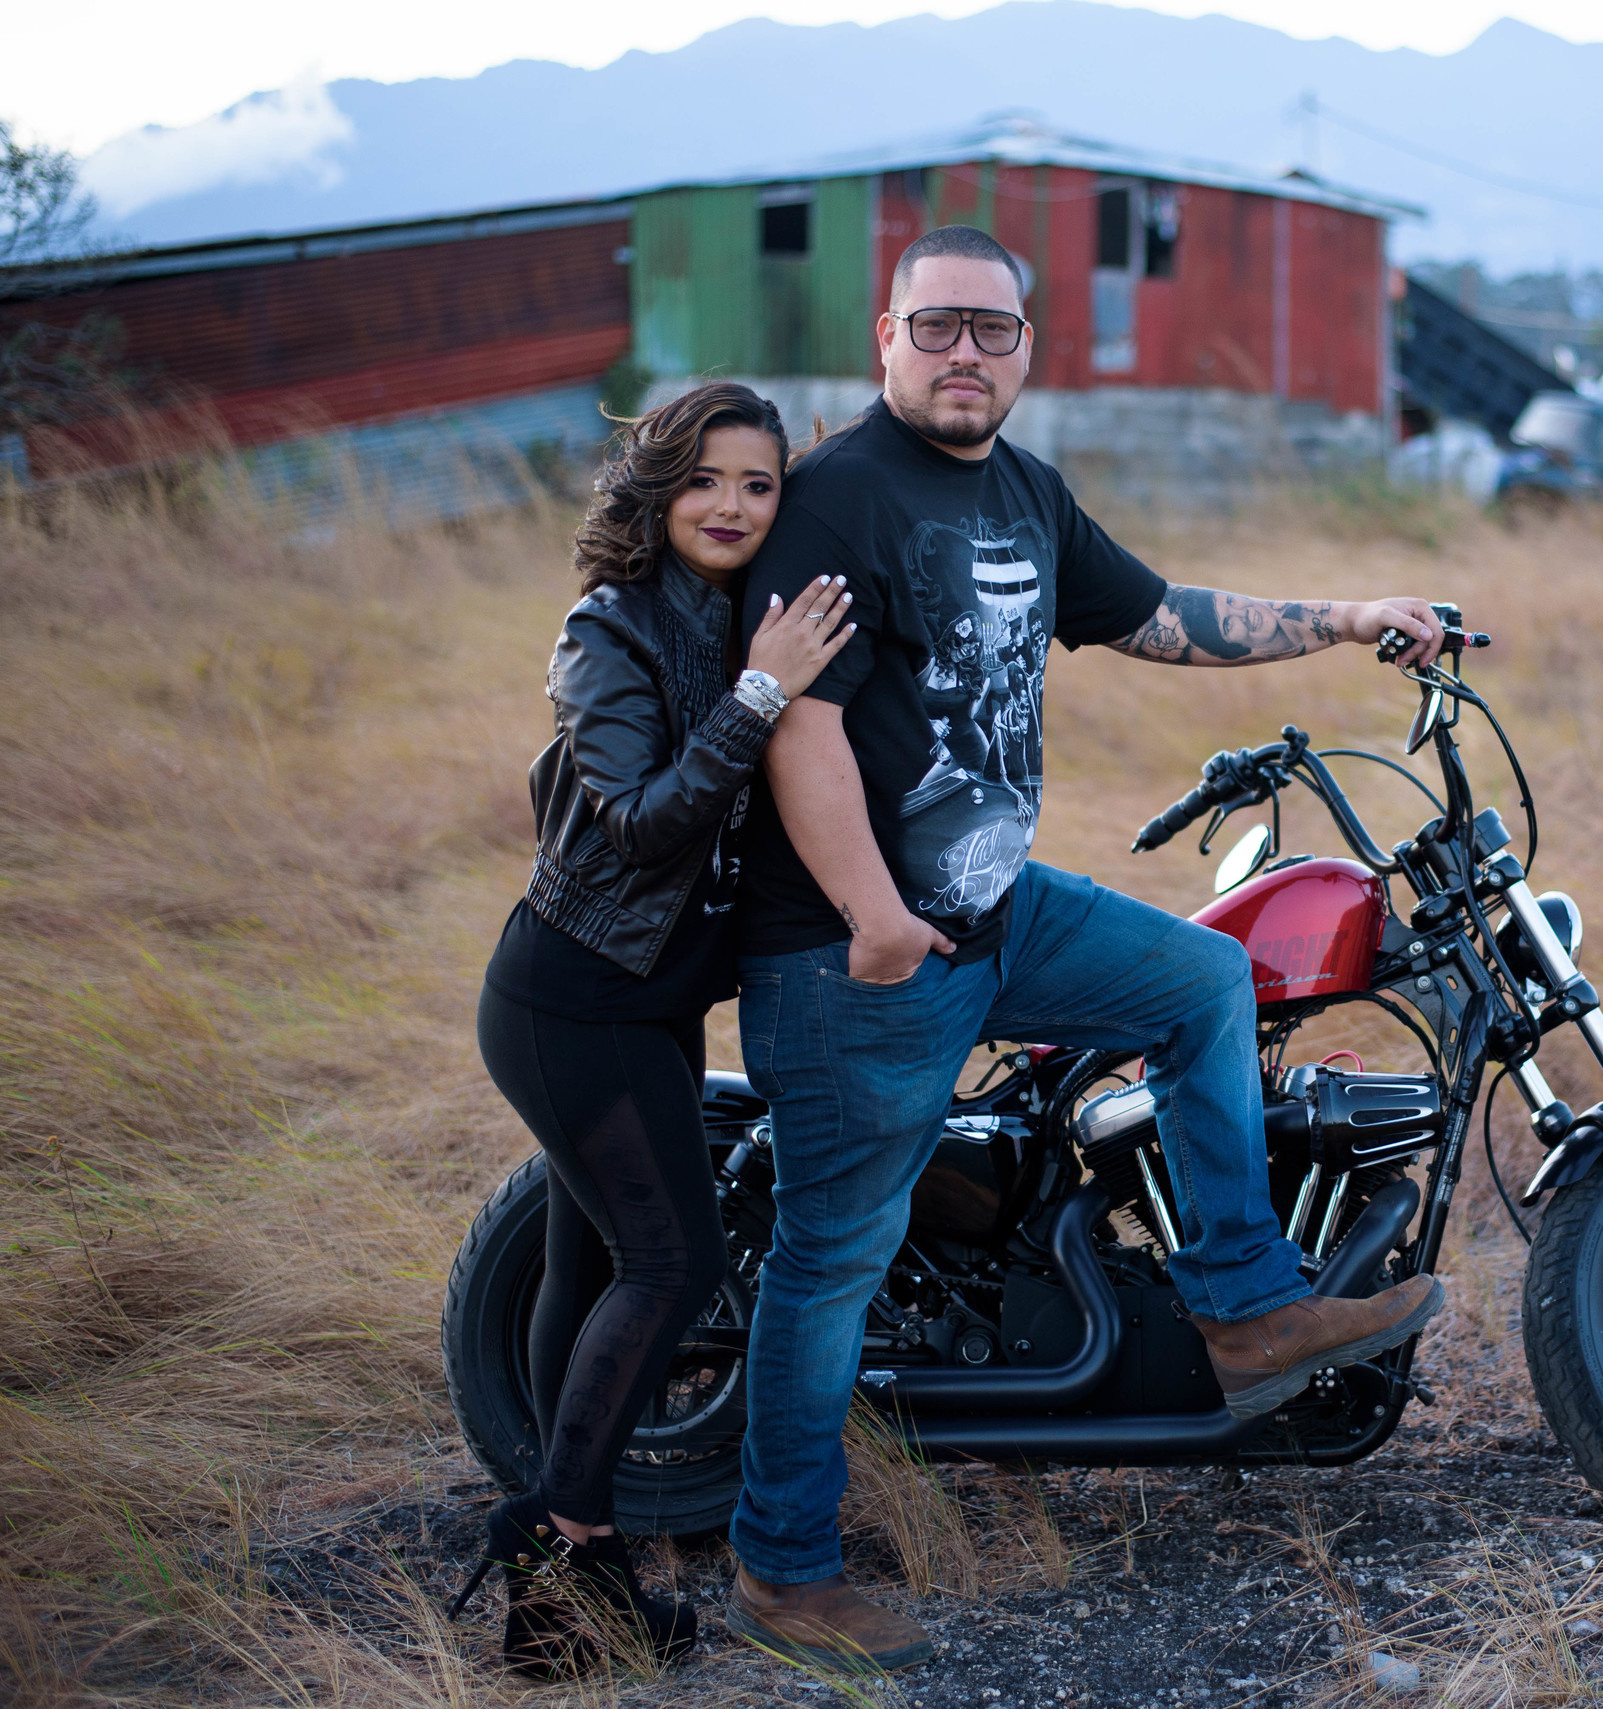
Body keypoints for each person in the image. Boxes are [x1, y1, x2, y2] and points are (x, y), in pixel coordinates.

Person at [723, 224, 1450, 1677]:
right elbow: (798, 724)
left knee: (1198, 981)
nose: (965, 354)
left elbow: (1169, 618)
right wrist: (874, 914)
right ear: (885, 337)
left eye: (993, 331)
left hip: (998, 915)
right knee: (830, 1260)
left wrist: (1351, 614)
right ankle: (783, 1564)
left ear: (1028, 353)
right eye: (937, 328)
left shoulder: (1024, 498)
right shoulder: (836, 502)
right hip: (856, 950)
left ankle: (1246, 1307)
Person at [453, 383, 856, 1676]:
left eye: (760, 483)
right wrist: (757, 693)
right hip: (571, 999)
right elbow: (639, 821)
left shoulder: (752, 614)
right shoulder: (606, 630)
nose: (733, 506)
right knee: (674, 1264)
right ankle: (557, 1539)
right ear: (657, 489)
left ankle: (572, 1587)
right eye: (705, 480)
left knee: (593, 1273)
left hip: (654, 1000)